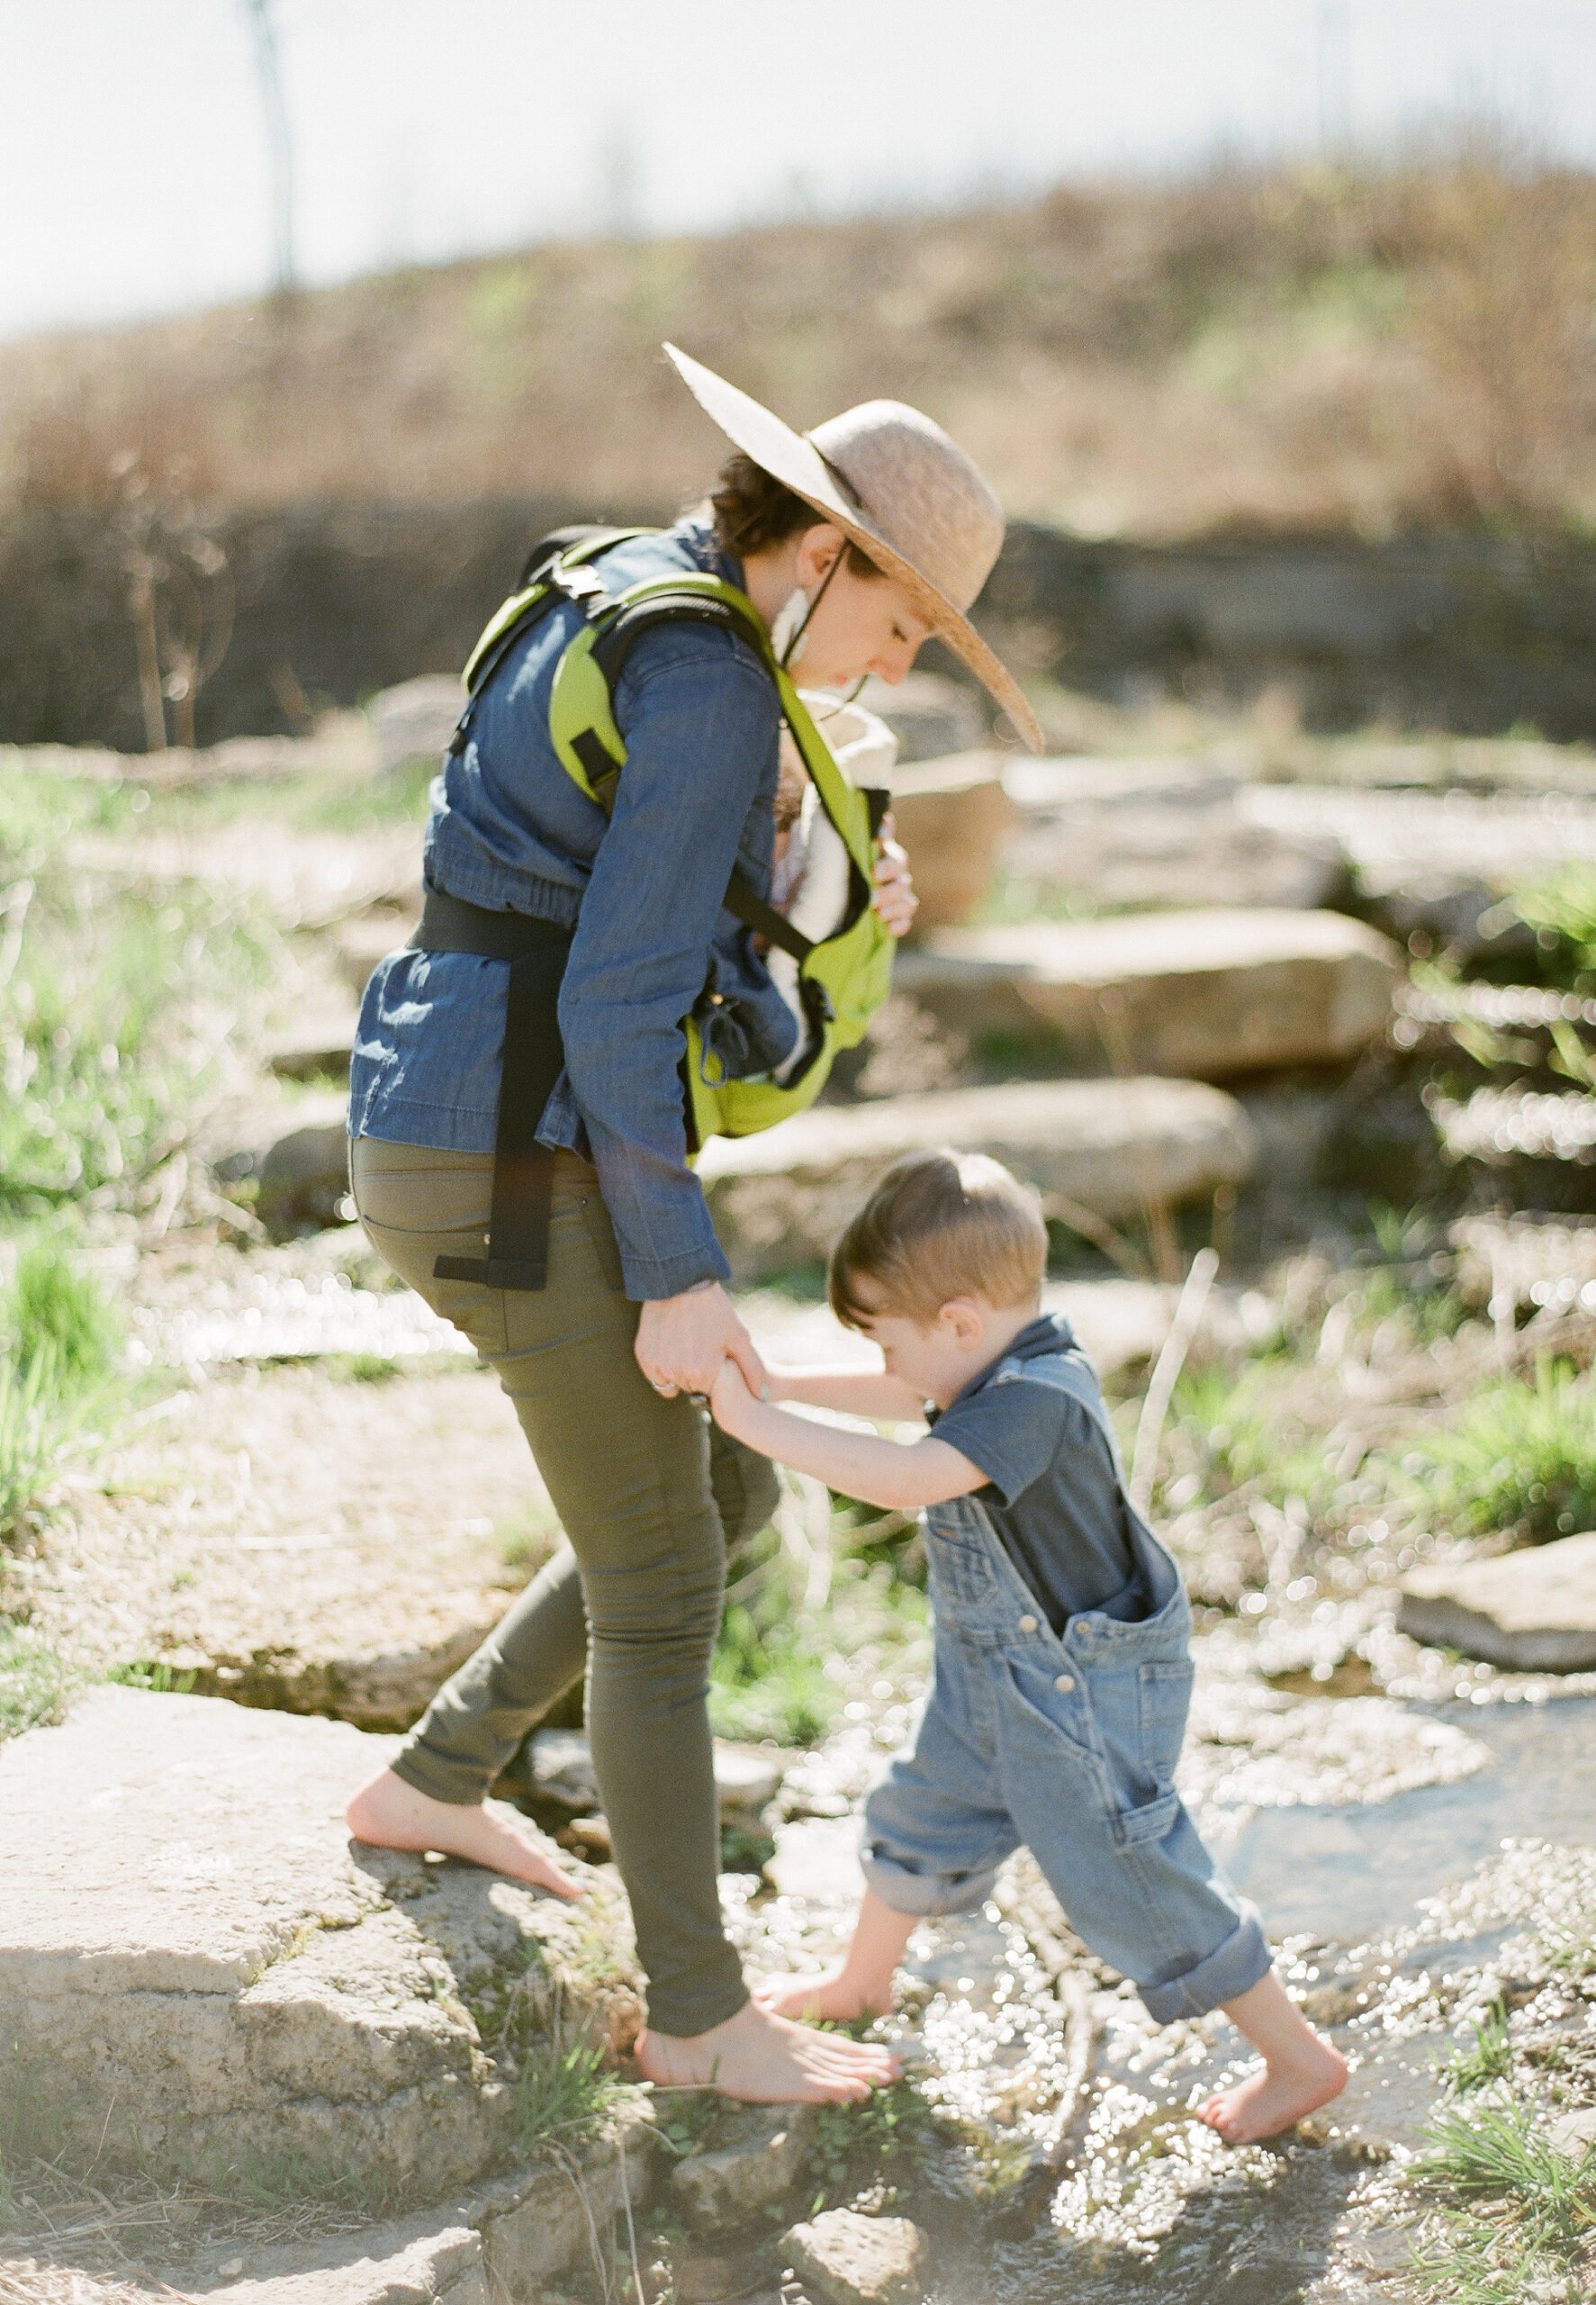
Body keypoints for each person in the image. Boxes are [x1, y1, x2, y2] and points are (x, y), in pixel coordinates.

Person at [341, 345, 1043, 2107]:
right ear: (824, 555)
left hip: (447, 1115)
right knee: (665, 1581)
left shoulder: (621, 586)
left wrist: (816, 879)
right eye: (901, 629)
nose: (894, 668)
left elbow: (602, 910)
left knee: (720, 1482)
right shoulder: (719, 682)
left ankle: (436, 1774)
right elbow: (617, 998)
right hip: (520, 1153)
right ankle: (699, 2017)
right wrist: (678, 1269)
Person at [706, 1150, 1348, 2146]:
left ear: (959, 1324)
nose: (884, 1369)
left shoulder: (1036, 1399)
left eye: (883, 1343)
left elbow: (911, 1475)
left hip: (1080, 1691)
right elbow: (909, 1397)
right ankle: (860, 1980)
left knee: (1135, 1874)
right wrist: (783, 1381)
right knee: (919, 1809)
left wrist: (754, 1423)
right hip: (995, 1680)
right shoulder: (986, 1361)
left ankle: (1297, 2057)